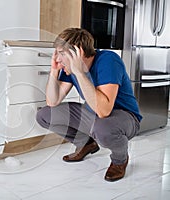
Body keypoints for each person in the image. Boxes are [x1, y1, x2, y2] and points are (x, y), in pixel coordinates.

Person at [36, 28, 142, 182]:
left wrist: (80, 73)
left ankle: (120, 160)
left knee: (103, 127)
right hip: (95, 115)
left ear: (78, 54)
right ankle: (86, 144)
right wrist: (53, 71)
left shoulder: (108, 60)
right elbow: (52, 101)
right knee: (45, 115)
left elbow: (104, 111)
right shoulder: (69, 69)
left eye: (61, 53)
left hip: (125, 118)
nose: (57, 58)